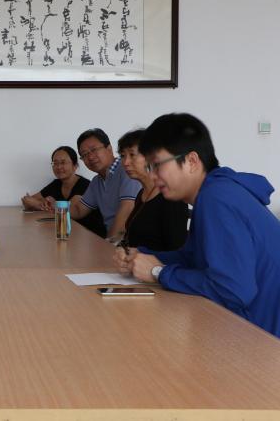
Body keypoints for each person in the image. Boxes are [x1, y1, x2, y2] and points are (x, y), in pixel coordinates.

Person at [114, 113, 280, 338]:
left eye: (157, 165)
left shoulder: (217, 198)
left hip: (264, 343)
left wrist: (157, 272)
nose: (152, 177)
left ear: (191, 161)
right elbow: (193, 257)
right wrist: (140, 256)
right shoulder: (215, 192)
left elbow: (233, 291)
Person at [46, 128, 141, 239]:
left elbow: (127, 209)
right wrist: (55, 206)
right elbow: (79, 210)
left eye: (94, 150)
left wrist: (109, 244)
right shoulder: (97, 181)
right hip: (113, 240)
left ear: (109, 149)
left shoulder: (127, 170)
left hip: (131, 241)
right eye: (84, 154)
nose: (90, 157)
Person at [117, 129, 189, 251]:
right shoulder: (142, 194)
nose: (125, 162)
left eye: (132, 155)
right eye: (123, 156)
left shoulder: (172, 198)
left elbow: (176, 251)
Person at [21, 146, 106, 237]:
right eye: (55, 163)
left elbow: (70, 211)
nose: (58, 167)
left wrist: (39, 204)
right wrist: (44, 204)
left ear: (75, 166)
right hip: (67, 233)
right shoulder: (56, 184)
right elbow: (27, 201)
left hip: (90, 236)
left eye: (63, 162)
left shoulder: (84, 185)